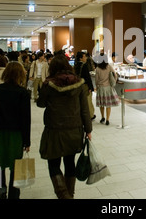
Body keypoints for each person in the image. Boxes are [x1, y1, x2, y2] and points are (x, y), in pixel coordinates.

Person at [37, 55, 92, 199]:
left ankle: (64, 197)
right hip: (74, 129)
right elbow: (84, 110)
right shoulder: (79, 83)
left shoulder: (48, 84)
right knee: (69, 163)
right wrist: (89, 130)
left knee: (53, 164)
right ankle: (70, 195)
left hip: (54, 129)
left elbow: (40, 103)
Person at [0, 62, 31, 199]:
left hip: (0, 132)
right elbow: (26, 120)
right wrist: (27, 141)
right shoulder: (23, 93)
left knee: (0, 161)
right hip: (17, 134)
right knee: (17, 164)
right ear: (21, 75)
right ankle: (14, 195)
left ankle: (1, 191)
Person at [95, 54, 119, 126]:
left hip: (101, 88)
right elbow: (115, 74)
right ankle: (108, 119)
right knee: (108, 104)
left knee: (101, 104)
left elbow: (96, 80)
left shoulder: (97, 69)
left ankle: (103, 117)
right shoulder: (109, 67)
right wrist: (114, 81)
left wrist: (97, 86)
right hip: (108, 88)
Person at [74, 51, 95, 120]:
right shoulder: (84, 65)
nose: (86, 58)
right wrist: (91, 87)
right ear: (81, 58)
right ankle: (90, 115)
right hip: (85, 85)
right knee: (88, 101)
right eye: (84, 56)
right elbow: (87, 78)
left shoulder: (76, 65)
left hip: (78, 85)